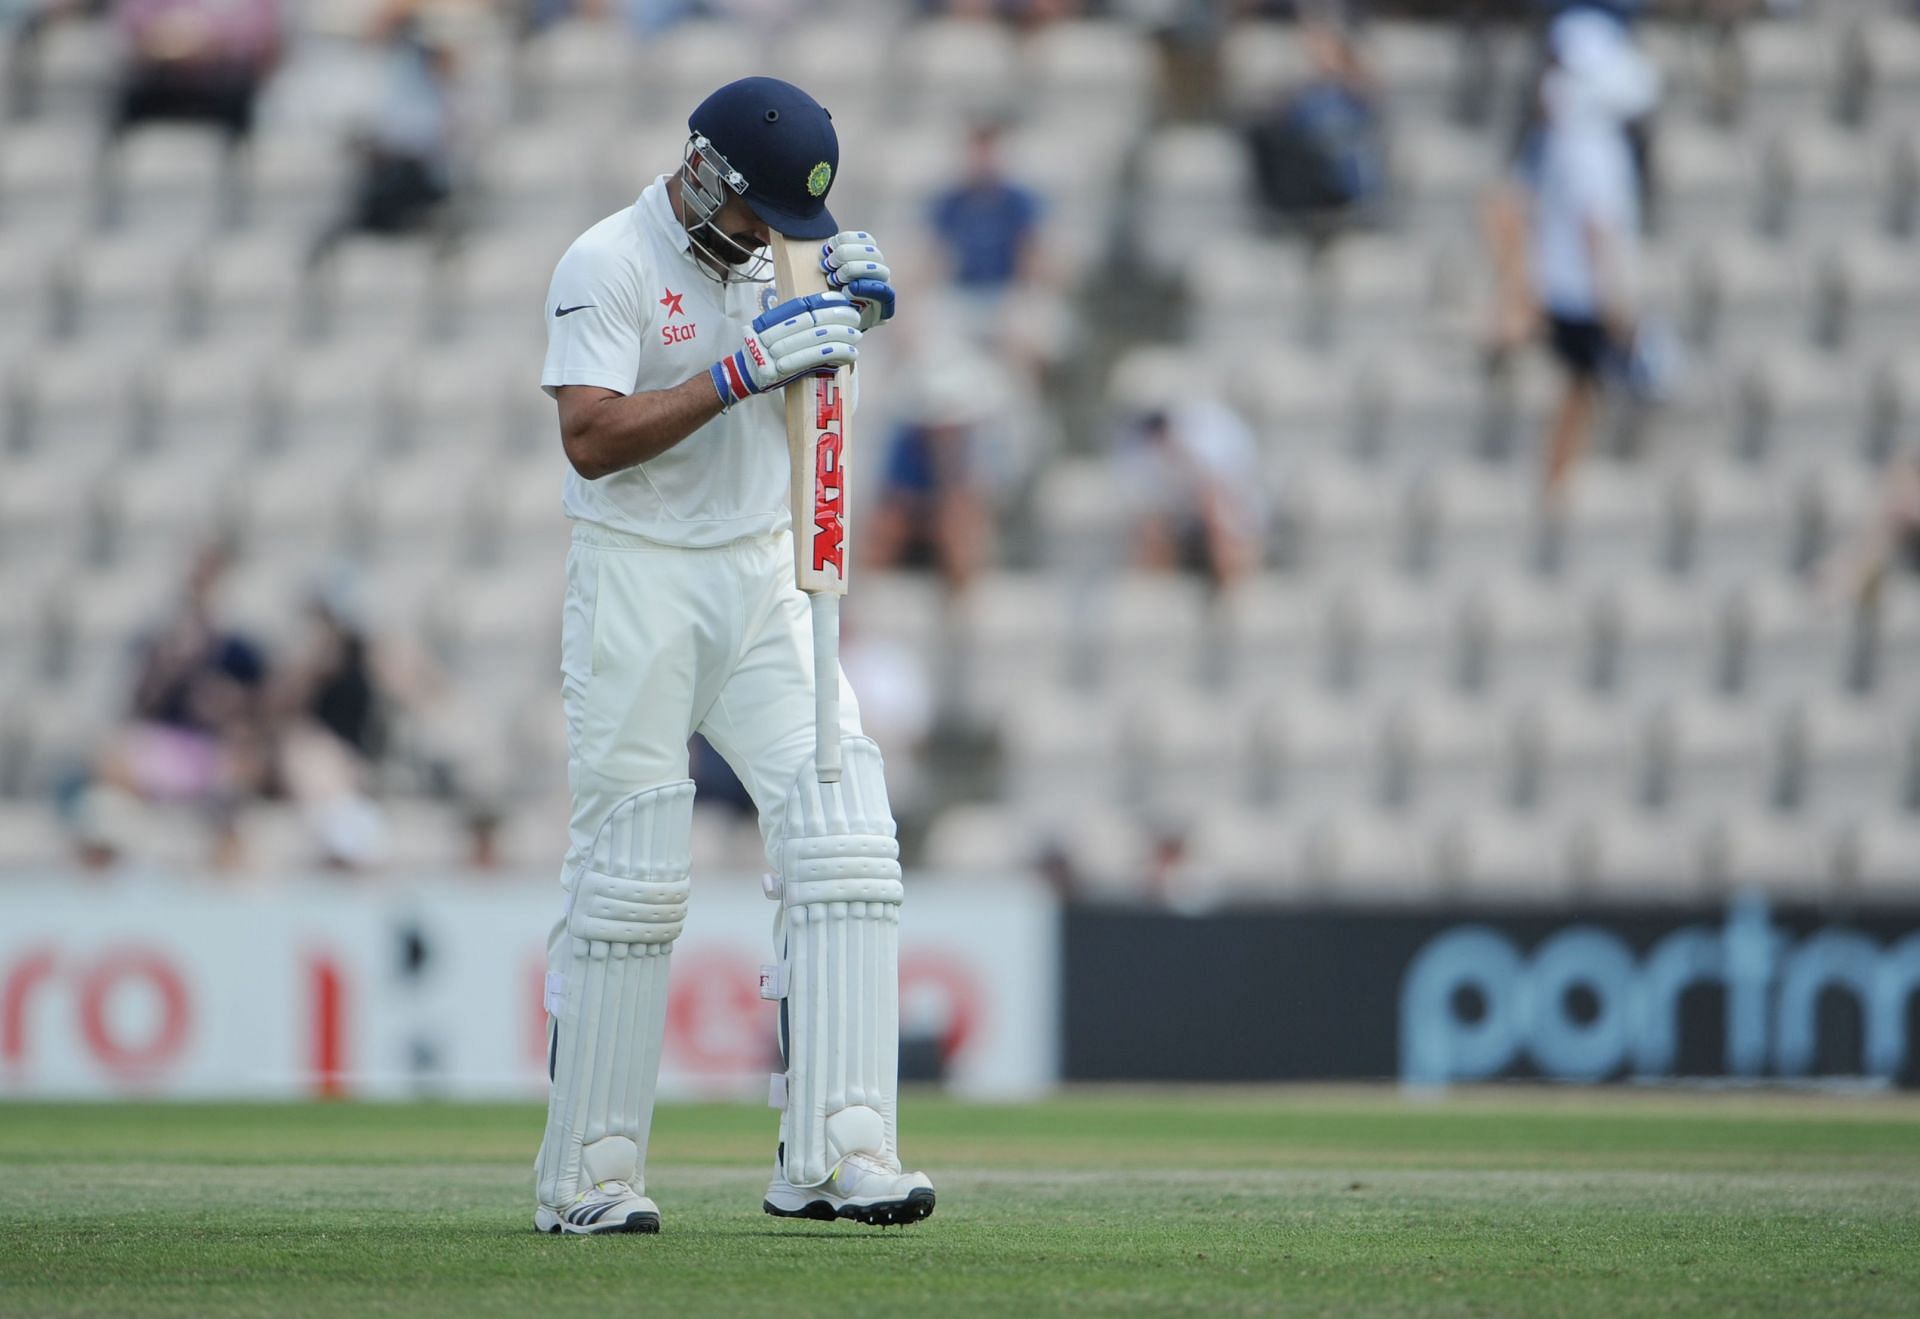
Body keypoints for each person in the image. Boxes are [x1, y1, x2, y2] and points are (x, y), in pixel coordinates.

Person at [532, 77, 933, 1236]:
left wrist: (850, 330)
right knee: (630, 876)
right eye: (759, 214)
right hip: (639, 578)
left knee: (847, 842)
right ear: (703, 170)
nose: (771, 240)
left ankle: (837, 1152)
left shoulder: (783, 254)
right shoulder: (605, 260)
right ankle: (590, 1177)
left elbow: (810, 404)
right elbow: (591, 436)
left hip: (763, 578)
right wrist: (735, 372)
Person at [1486, 6, 1659, 498]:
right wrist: (1619, 303)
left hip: (1564, 286)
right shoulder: (1593, 147)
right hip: (1580, 292)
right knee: (1579, 391)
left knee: (1577, 388)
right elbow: (1597, 230)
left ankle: (1555, 482)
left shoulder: (1566, 141)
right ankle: (1554, 485)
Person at [1118, 397, 1267, 591]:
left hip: (1230, 521)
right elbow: (1149, 514)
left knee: (1220, 529)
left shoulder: (1210, 434)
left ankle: (1236, 602)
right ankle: (1158, 605)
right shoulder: (1139, 446)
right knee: (1150, 535)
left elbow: (1216, 500)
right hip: (1182, 526)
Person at [109, 0, 285, 143]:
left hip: (227, 84)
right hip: (159, 80)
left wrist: (210, 39)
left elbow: (261, 32)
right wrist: (168, 37)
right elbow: (130, 22)